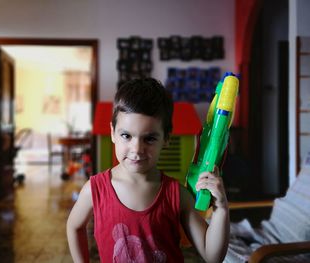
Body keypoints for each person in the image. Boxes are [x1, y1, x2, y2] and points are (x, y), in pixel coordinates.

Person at [67, 78, 230, 263]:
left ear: (167, 138)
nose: (137, 149)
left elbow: (212, 256)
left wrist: (221, 209)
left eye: (150, 138)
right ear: (113, 133)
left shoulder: (176, 194)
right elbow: (74, 227)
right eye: (126, 136)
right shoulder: (94, 189)